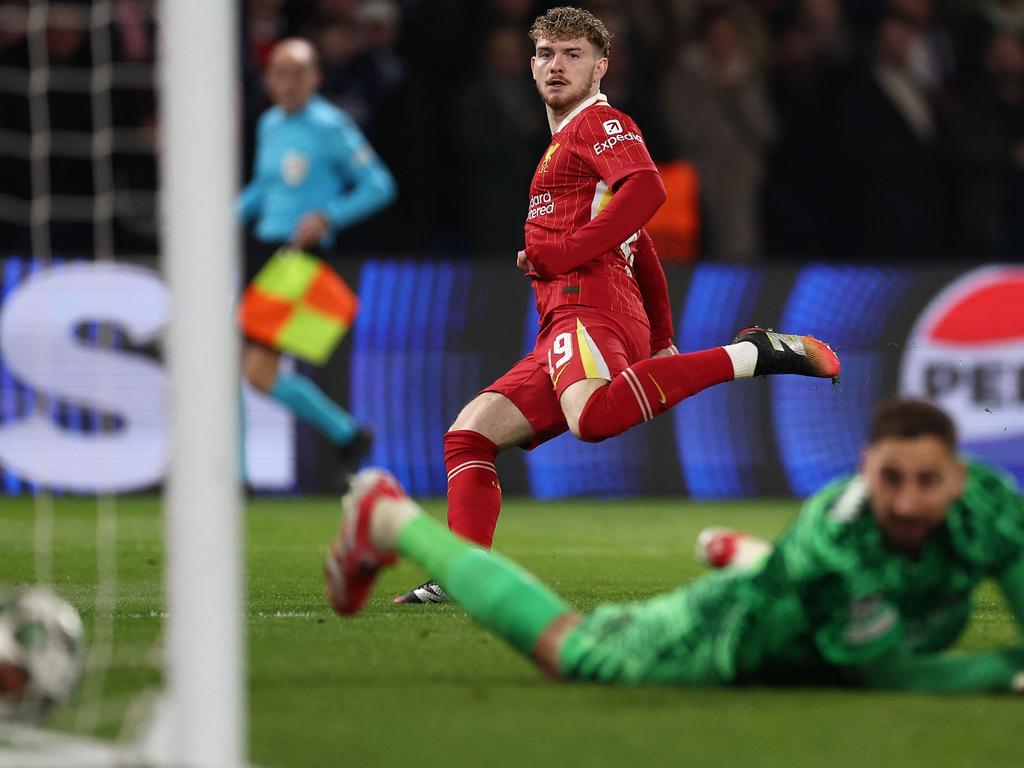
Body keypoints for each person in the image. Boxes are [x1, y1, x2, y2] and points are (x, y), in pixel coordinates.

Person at [393, 6, 839, 604]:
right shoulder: (560, 145)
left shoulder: (597, 123)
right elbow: (641, 243)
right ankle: (463, 576)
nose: (557, 65)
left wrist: (568, 250)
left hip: (588, 306)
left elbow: (649, 190)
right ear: (530, 66)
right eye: (547, 54)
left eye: (573, 54)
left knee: (592, 417)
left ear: (600, 66)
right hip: (574, 314)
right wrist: (659, 335)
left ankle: (751, 354)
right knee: (469, 435)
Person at [326, 399, 1024, 692]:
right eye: (889, 480)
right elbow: (889, 674)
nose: (906, 501)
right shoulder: (837, 541)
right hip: (725, 640)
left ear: (959, 478)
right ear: (863, 468)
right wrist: (1002, 670)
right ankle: (390, 518)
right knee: (571, 650)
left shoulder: (992, 508)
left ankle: (739, 553)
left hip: (813, 613)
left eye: (927, 483)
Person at [237, 37, 396, 466]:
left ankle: (233, 474)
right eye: (280, 73)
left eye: (298, 73)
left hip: (298, 259)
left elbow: (380, 185)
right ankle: (347, 434)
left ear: (316, 78)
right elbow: (264, 190)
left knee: (249, 371)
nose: (288, 82)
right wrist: (224, 218)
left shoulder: (330, 126)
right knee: (253, 373)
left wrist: (328, 216)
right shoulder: (269, 124)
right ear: (268, 79)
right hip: (262, 251)